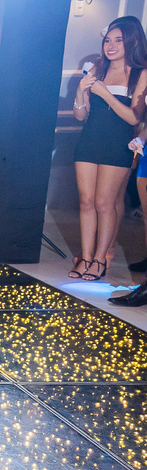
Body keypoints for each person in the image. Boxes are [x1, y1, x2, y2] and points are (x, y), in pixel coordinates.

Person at [70, 16, 147, 282]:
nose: (111, 46)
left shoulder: (141, 73)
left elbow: (134, 118)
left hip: (118, 144)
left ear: (132, 42)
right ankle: (85, 258)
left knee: (104, 203)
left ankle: (101, 259)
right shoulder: (97, 68)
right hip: (89, 140)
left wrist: (105, 94)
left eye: (118, 40)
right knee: (86, 201)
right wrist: (80, 93)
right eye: (107, 41)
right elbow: (80, 115)